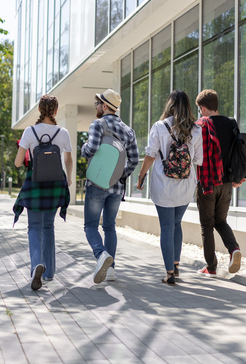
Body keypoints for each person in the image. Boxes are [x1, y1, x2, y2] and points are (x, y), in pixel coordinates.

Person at [136, 90, 202, 286]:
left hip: (163, 184)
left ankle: (169, 273)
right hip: (186, 185)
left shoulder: (159, 127)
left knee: (166, 227)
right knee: (176, 224)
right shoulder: (196, 130)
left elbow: (150, 155)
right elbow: (198, 160)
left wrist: (141, 176)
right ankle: (176, 264)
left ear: (170, 105)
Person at [13, 95, 73, 291]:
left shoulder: (30, 132)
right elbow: (69, 160)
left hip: (36, 184)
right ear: (56, 111)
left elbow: (18, 162)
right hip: (56, 184)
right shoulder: (63, 132)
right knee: (49, 226)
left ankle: (36, 266)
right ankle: (48, 273)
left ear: (39, 110)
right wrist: (69, 178)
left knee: (34, 227)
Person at [81, 89, 139, 284]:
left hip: (97, 182)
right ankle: (111, 271)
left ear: (105, 106)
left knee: (90, 225)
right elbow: (134, 159)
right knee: (110, 226)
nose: (96, 106)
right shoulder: (128, 130)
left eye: (97, 103)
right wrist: (121, 175)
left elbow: (92, 148)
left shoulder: (97, 124)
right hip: (116, 187)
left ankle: (101, 255)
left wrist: (84, 148)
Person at [194, 89, 243, 277]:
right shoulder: (231, 123)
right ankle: (233, 249)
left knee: (207, 224)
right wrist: (237, 177)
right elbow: (236, 151)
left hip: (207, 182)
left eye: (200, 109)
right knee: (220, 220)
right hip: (227, 183)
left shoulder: (200, 125)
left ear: (203, 108)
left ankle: (211, 267)